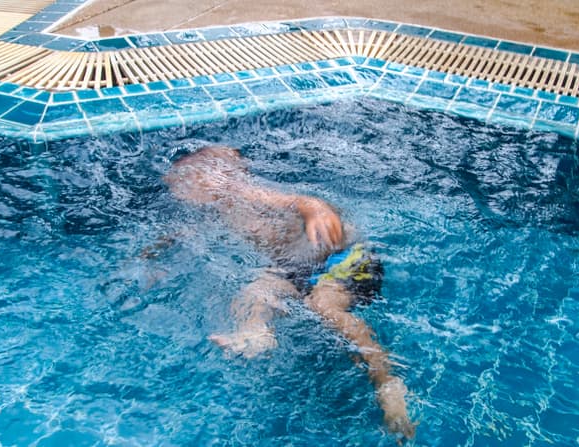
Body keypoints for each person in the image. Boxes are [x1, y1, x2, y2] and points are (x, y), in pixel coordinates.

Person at [162, 145, 415, 439]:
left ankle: (388, 383)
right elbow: (178, 232)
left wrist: (316, 210)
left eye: (184, 181)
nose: (177, 189)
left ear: (213, 178)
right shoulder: (215, 210)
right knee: (255, 292)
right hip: (292, 266)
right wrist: (151, 255)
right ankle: (254, 332)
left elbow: (301, 201)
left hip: (341, 258)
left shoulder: (244, 192)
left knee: (324, 305)